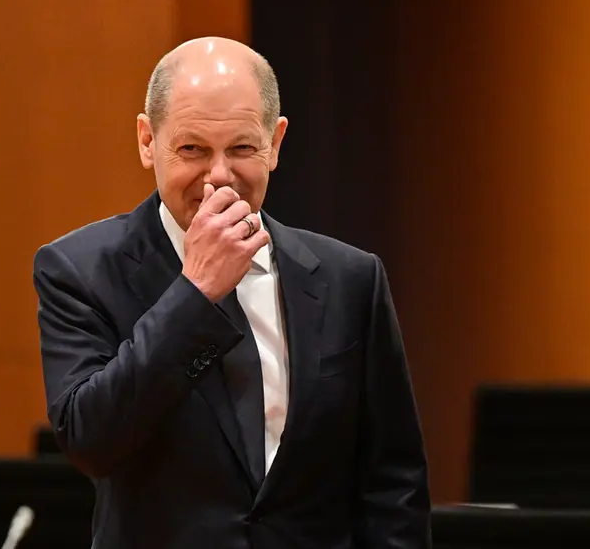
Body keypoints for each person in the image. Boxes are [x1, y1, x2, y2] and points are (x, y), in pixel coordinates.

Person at [33, 36, 431, 549]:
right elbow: (91, 439)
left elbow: (392, 483)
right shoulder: (80, 269)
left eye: (242, 148)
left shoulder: (350, 278)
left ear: (275, 142)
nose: (219, 177)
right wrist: (195, 292)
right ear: (147, 140)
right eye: (192, 149)